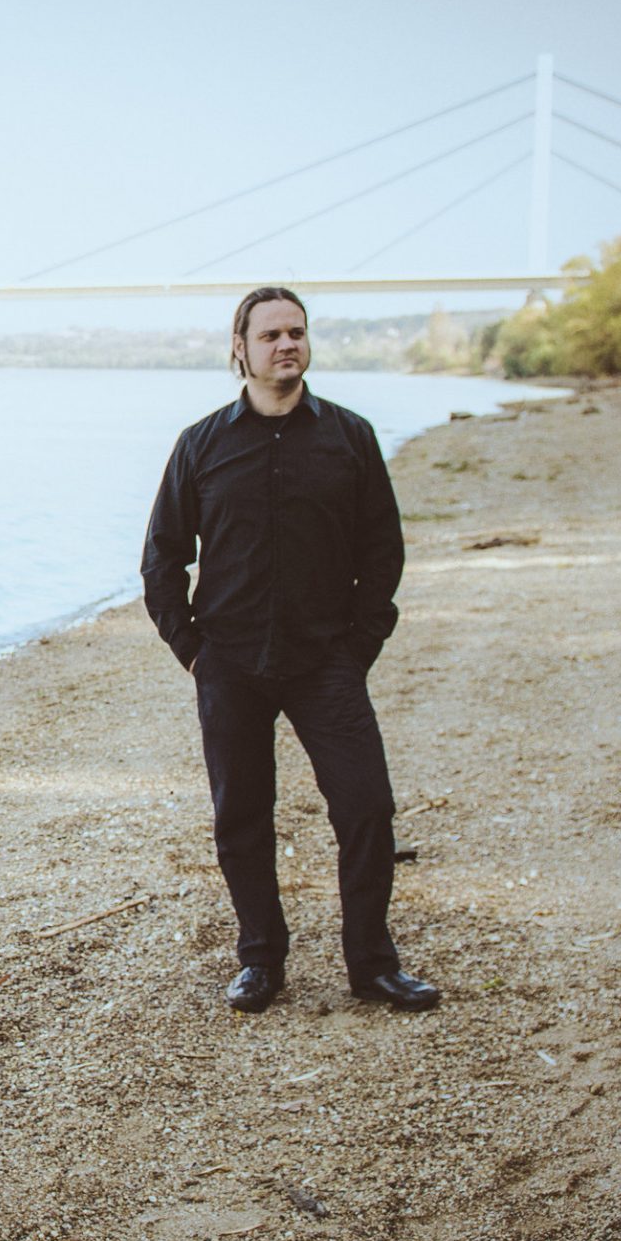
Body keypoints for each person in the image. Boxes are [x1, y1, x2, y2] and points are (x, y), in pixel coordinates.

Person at [139, 287, 441, 1015]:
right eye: (270, 334)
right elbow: (162, 557)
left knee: (367, 807)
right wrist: (193, 650)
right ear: (239, 348)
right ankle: (260, 960)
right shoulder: (201, 444)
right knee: (242, 816)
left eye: (296, 332)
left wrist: (360, 643)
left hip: (326, 659)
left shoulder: (350, 437)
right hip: (230, 662)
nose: (286, 344)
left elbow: (383, 550)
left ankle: (373, 964)